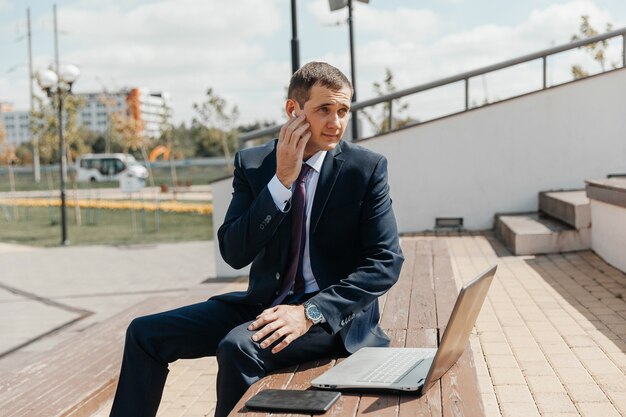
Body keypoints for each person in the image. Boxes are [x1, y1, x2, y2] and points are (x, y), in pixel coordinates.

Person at [109, 62, 404, 417]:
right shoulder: (254, 163)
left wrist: (310, 312)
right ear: (293, 111)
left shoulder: (365, 168)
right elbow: (234, 252)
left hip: (330, 318)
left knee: (237, 347)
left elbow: (385, 262)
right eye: (324, 109)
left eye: (343, 110)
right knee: (145, 333)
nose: (336, 122)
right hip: (263, 303)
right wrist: (280, 182)